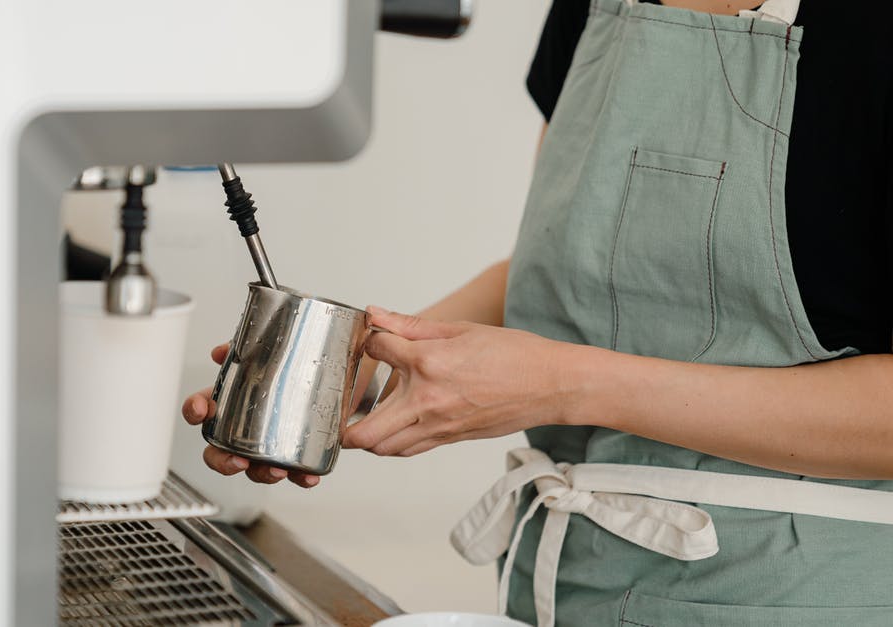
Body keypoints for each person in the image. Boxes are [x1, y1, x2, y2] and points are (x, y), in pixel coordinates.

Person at [183, 0, 893, 624]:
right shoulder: (592, 7)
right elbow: (561, 265)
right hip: (563, 586)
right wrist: (363, 356)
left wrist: (567, 382)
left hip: (795, 593)